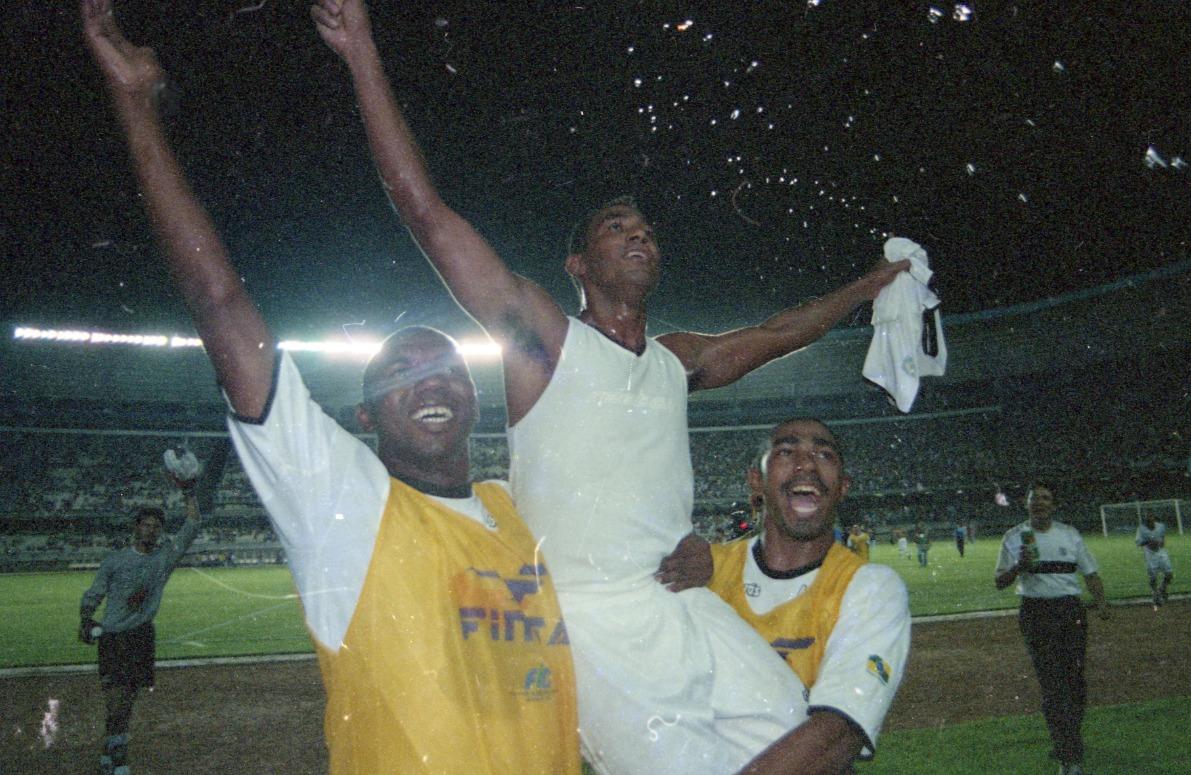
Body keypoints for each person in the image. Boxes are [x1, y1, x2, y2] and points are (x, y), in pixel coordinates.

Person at [311, 1, 910, 771]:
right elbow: (427, 214)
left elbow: (780, 331)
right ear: (579, 265)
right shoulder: (544, 346)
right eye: (617, 226)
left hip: (683, 601)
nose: (639, 233)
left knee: (807, 742)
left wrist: (871, 283)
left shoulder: (674, 359)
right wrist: (361, 50)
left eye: (647, 229)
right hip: (590, 624)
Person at [81, 2, 579, 771]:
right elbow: (221, 303)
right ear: (364, 416)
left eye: (448, 366)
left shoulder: (518, 513)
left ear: (476, 398)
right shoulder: (345, 504)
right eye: (400, 373)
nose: (430, 379)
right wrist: (135, 105)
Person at [707, 419, 910, 773]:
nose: (807, 464)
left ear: (843, 486)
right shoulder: (704, 570)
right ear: (756, 480)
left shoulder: (870, 587)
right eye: (786, 452)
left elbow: (838, 733)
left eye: (824, 455)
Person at [79, 451, 202, 775]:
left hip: (141, 637)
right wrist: (85, 618)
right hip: (114, 637)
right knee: (116, 701)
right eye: (145, 525)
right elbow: (93, 594)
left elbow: (193, 524)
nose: (150, 530)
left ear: (160, 531)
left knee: (126, 701)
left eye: (156, 527)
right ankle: (118, 759)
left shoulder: (164, 558)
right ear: (136, 528)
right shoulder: (115, 561)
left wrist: (189, 492)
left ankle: (110, 755)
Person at [995, 483, 1109, 775]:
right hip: (1036, 612)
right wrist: (1019, 566)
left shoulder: (1070, 534)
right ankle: (1069, 757)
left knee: (1075, 683)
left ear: (1054, 505)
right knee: (1052, 685)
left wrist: (1101, 602)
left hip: (1070, 611)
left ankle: (1066, 742)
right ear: (1026, 504)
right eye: (1034, 498)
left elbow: (1090, 572)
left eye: (1046, 498)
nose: (1040, 503)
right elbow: (999, 582)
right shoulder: (1014, 537)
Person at [1135, 514, 1173, 607]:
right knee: (1153, 577)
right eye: (1148, 521)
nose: (1150, 522)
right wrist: (1149, 541)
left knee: (1169, 573)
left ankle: (1162, 588)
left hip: (1161, 552)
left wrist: (1161, 542)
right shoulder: (1141, 529)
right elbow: (1138, 542)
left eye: (1151, 520)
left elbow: (1162, 537)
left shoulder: (1161, 526)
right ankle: (1155, 595)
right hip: (1149, 554)